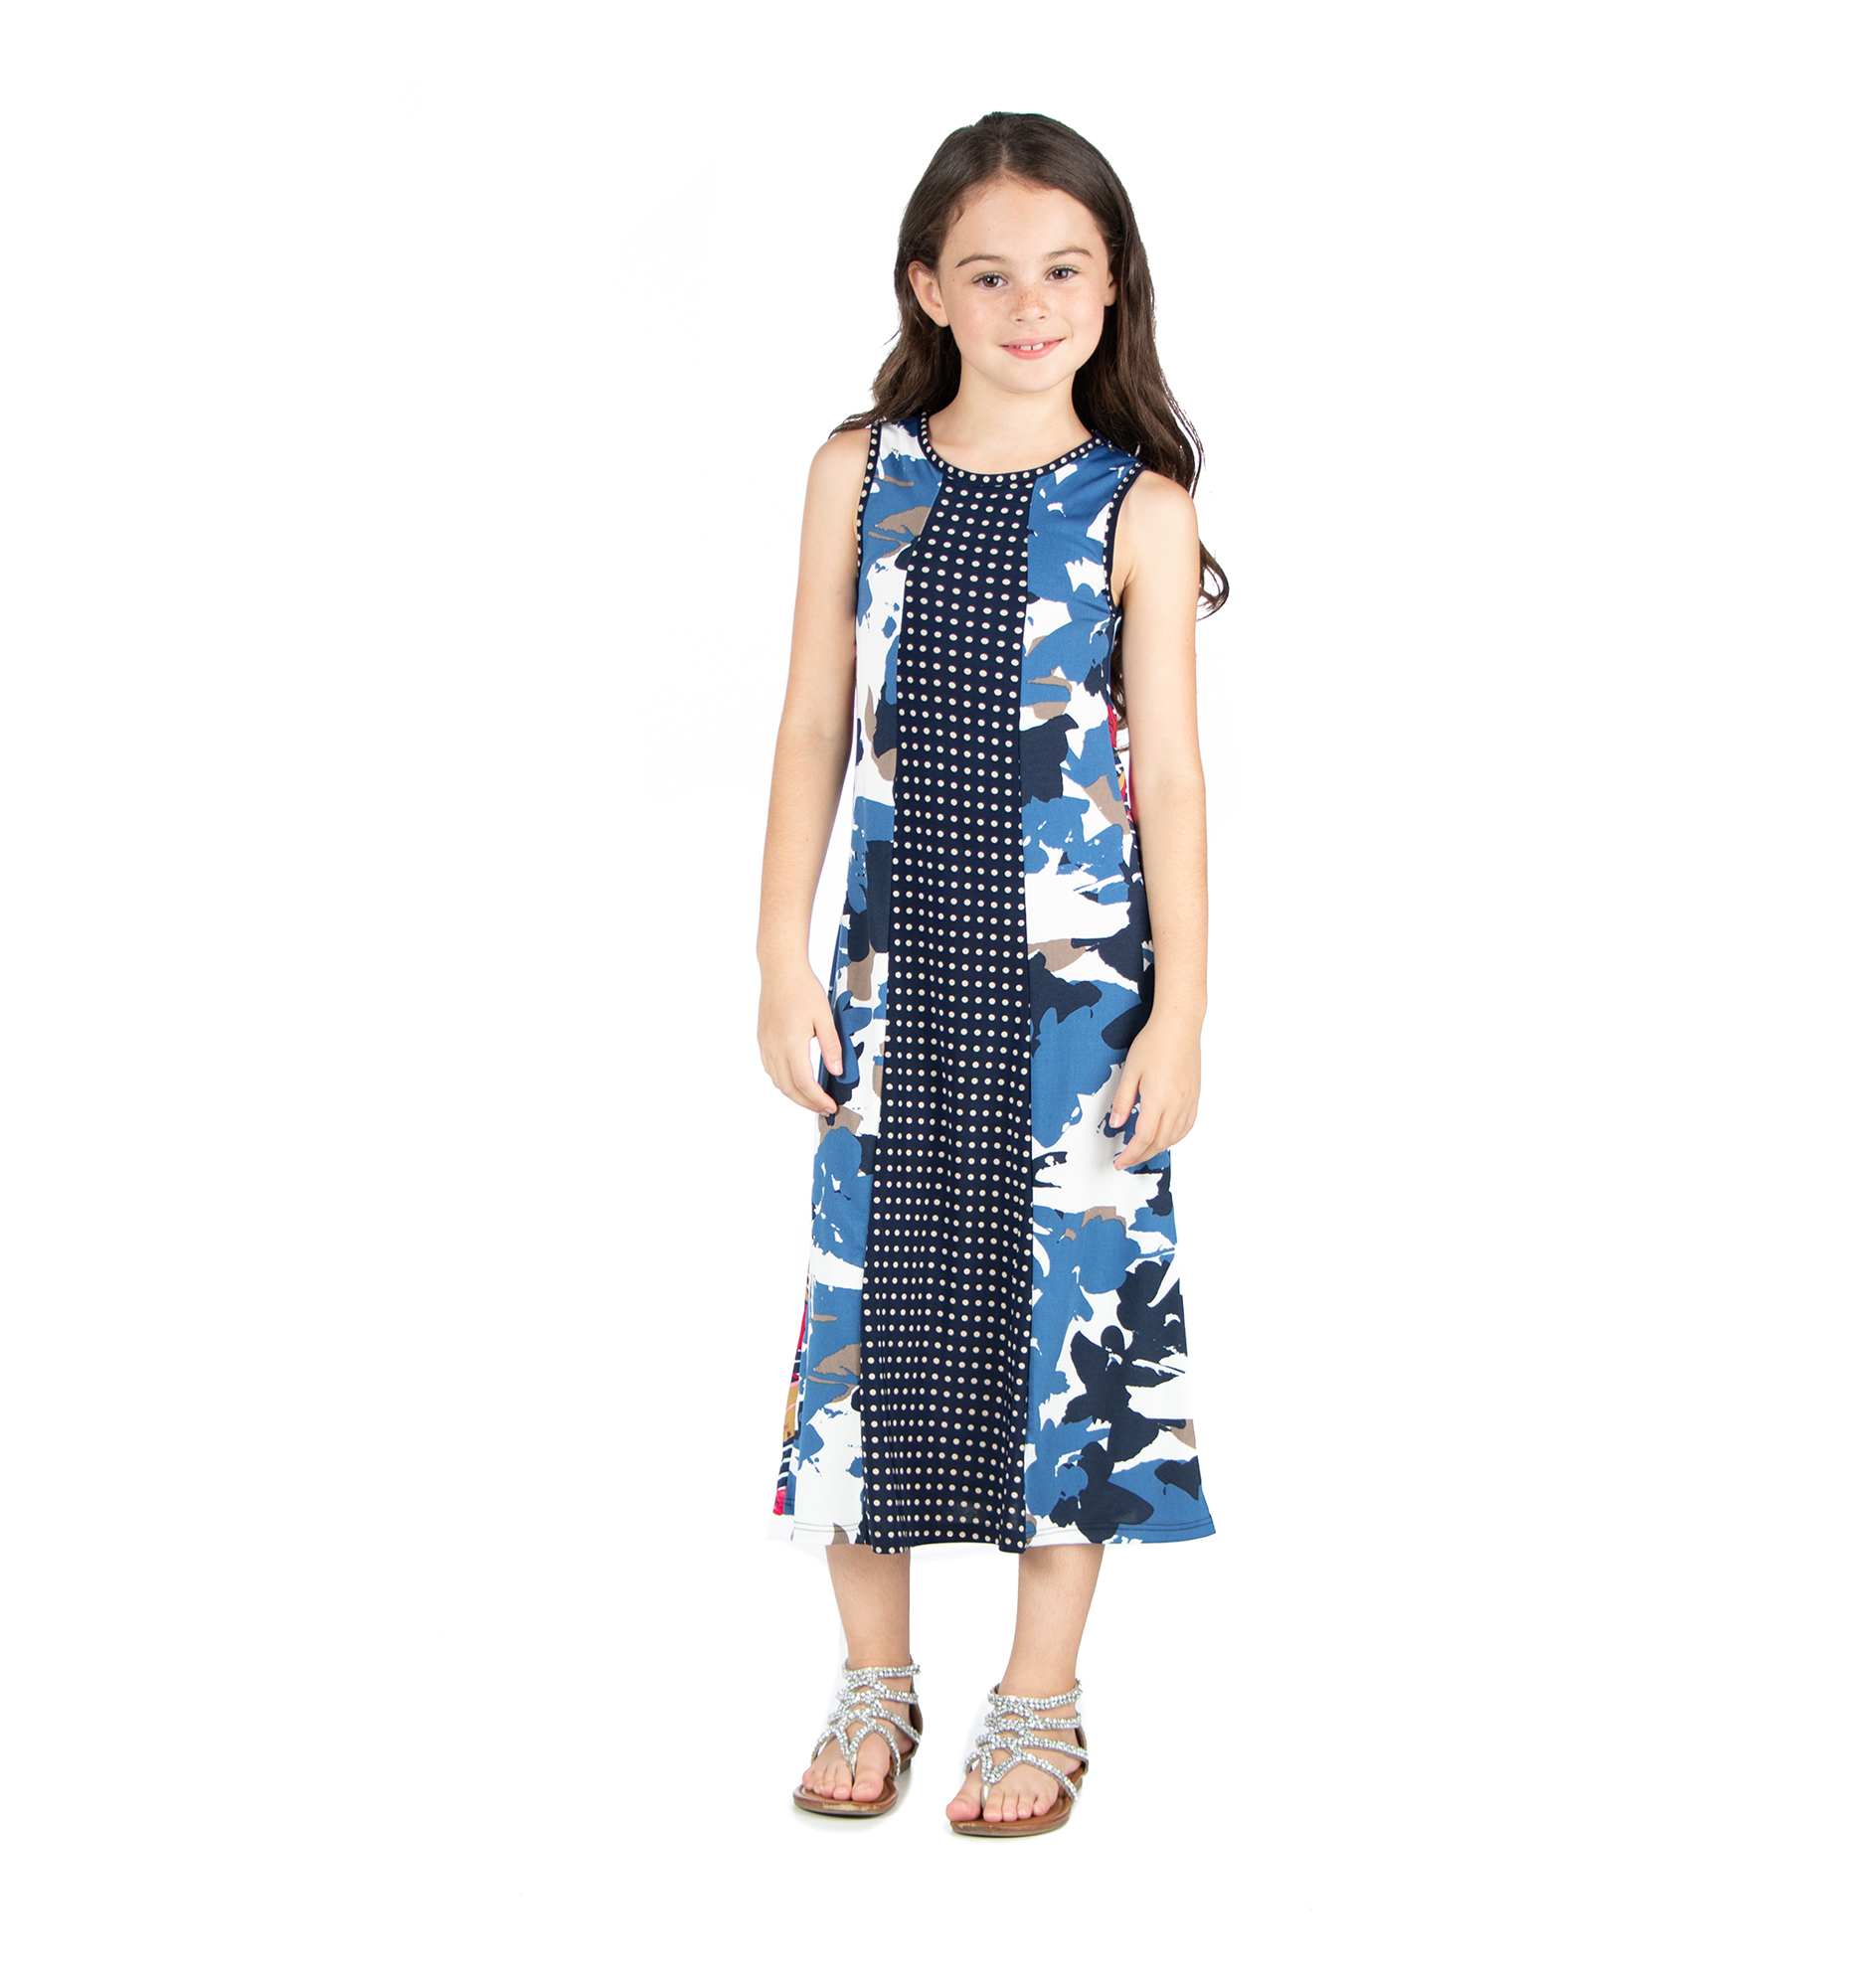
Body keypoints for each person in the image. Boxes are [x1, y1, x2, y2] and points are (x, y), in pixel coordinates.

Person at [757, 110, 1226, 1837]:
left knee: (1071, 1320)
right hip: (893, 979)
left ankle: (1040, 1697)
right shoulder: (858, 473)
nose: (1031, 307)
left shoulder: (1140, 508)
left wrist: (1183, 1013)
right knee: (870, 1319)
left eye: (1064, 271)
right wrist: (778, 956)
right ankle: (872, 1679)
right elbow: (812, 723)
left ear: (1111, 288)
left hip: (1077, 993)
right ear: (927, 290)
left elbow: (1170, 780)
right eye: (991, 273)